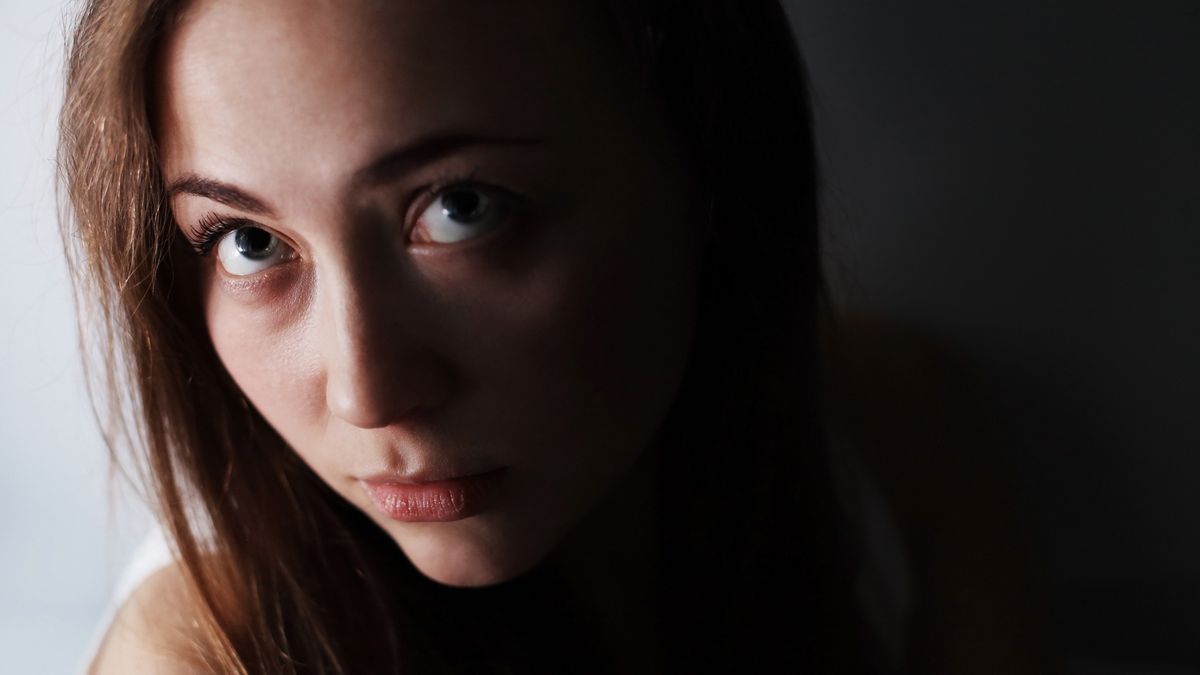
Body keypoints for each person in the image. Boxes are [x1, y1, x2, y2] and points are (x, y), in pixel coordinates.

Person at [61, 1, 1052, 673]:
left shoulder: (883, 430)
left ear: (704, 169)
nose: (369, 393)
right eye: (247, 241)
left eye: (461, 208)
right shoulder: (202, 654)